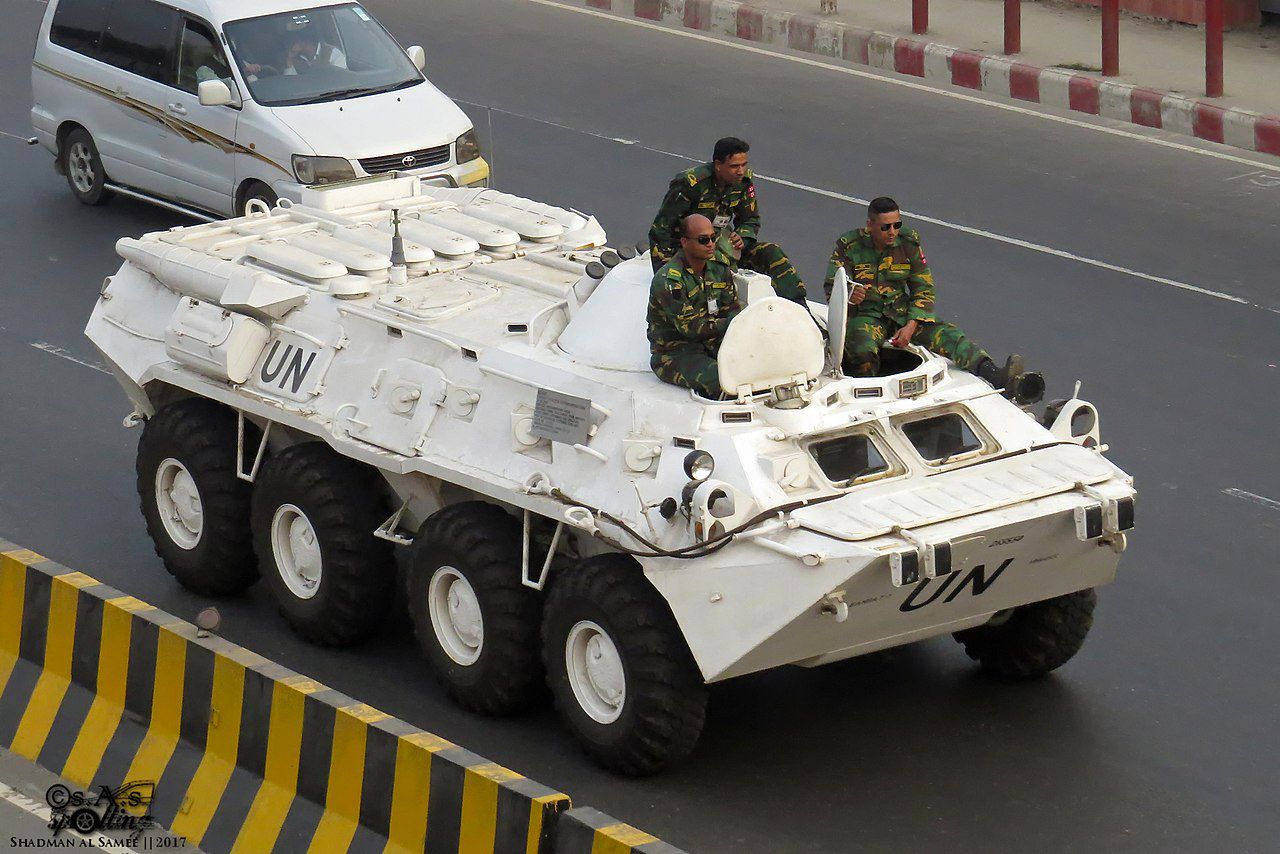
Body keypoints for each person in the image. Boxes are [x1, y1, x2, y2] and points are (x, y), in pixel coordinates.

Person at [824, 196, 1032, 392]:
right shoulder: (849, 246)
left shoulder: (908, 244)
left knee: (949, 336)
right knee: (861, 351)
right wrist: (851, 295)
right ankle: (868, 394)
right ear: (870, 225)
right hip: (866, 315)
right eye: (885, 227)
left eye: (897, 225)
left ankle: (995, 375)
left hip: (901, 312)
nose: (892, 232)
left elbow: (923, 287)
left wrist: (911, 324)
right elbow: (833, 286)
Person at [648, 137, 807, 306]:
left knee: (771, 252)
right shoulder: (691, 184)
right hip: (693, 251)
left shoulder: (743, 182)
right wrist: (666, 274)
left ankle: (799, 306)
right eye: (734, 166)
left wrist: (742, 237)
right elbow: (661, 230)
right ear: (718, 165)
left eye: (744, 165)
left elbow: (750, 219)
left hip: (724, 245)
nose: (740, 171)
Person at [647, 214, 742, 398]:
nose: (711, 244)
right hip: (675, 353)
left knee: (760, 367)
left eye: (713, 238)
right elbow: (691, 328)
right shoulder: (669, 281)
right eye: (703, 240)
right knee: (723, 380)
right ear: (684, 242)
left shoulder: (719, 267)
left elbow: (731, 308)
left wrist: (738, 323)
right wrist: (735, 322)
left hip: (713, 343)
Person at [282, 28, 347, 75]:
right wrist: (289, 62)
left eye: (292, 42)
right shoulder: (296, 59)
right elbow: (290, 83)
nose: (289, 46)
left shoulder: (333, 53)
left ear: (304, 41)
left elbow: (340, 79)